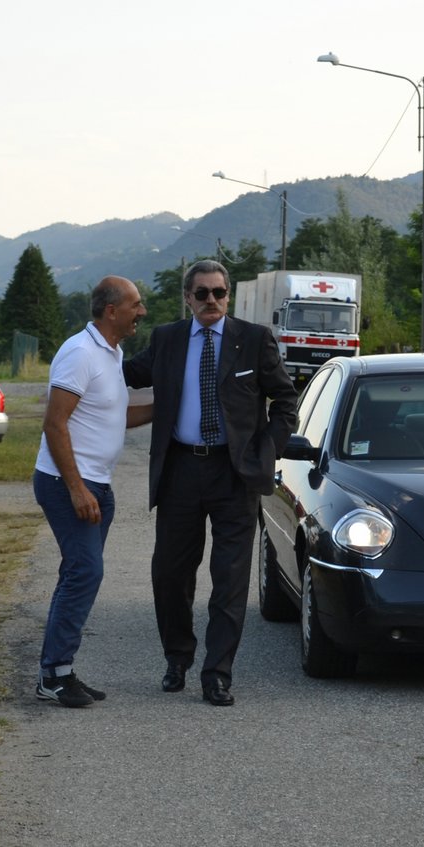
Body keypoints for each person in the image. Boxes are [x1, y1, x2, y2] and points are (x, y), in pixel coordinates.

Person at [123, 260, 299, 706]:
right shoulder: (167, 339)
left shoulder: (254, 340)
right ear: (188, 298)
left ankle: (217, 673)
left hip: (234, 473)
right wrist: (86, 350)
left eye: (219, 293)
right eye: (201, 294)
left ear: (228, 296)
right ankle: (178, 657)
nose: (211, 301)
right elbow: (124, 373)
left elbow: (285, 399)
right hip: (181, 469)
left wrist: (269, 449)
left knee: (230, 579)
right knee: (169, 574)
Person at [33, 276, 152, 707]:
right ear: (111, 310)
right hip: (70, 485)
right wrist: (78, 488)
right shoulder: (80, 353)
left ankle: (57, 671)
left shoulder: (112, 353)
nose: (142, 312)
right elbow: (54, 424)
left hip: (96, 484)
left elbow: (114, 417)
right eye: (136, 305)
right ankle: (55, 674)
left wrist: (167, 408)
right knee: (86, 572)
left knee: (77, 574)